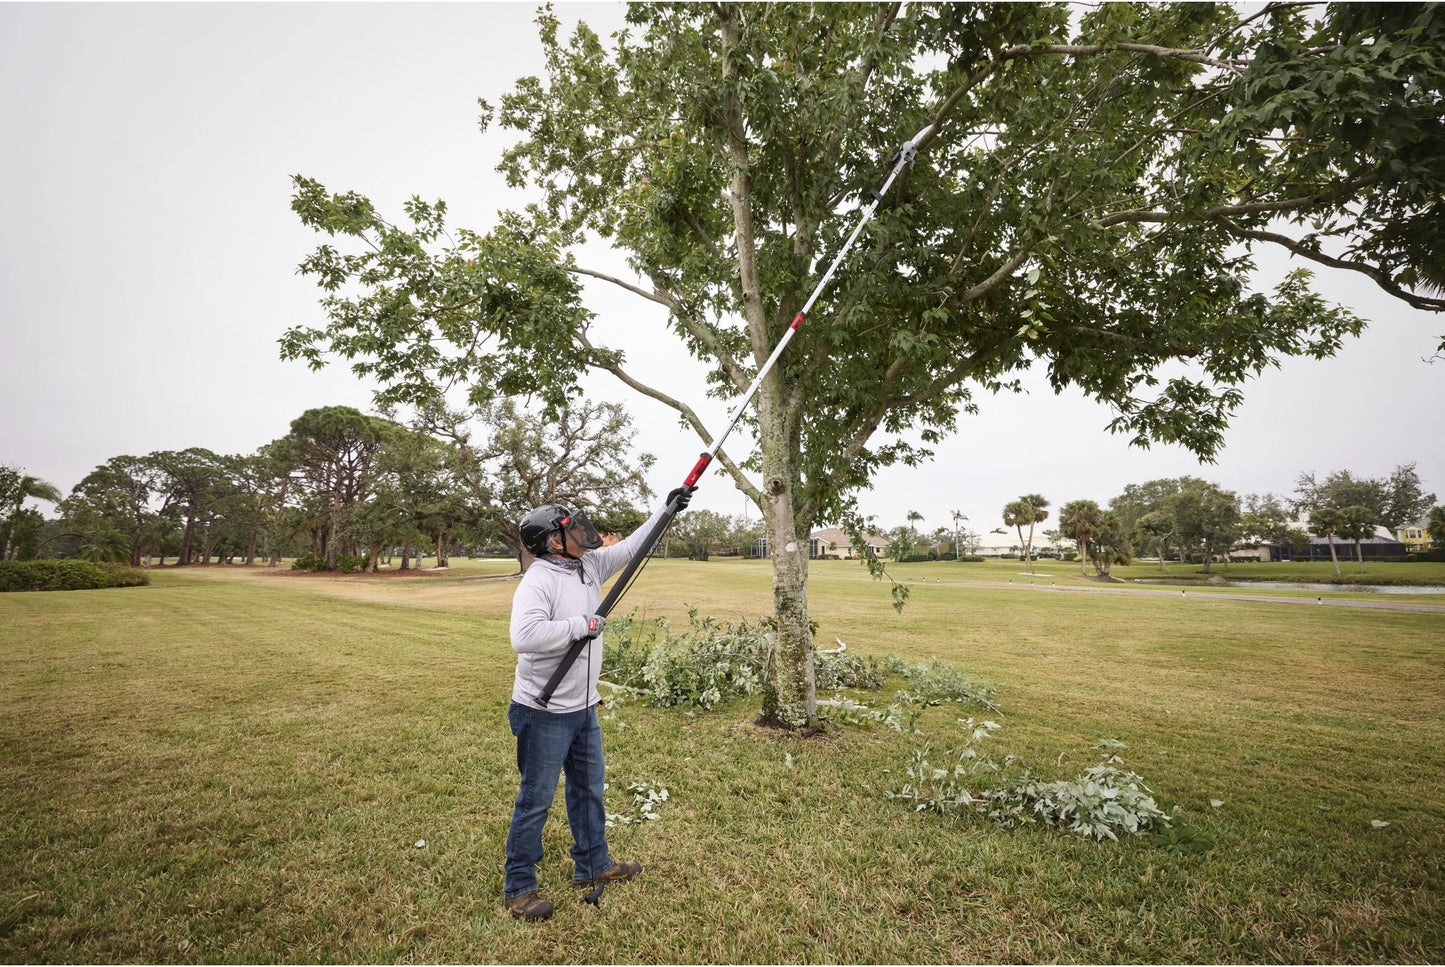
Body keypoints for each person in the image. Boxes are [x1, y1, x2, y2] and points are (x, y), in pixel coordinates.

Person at [502, 488, 693, 921]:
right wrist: (580, 626)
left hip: (584, 706)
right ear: (553, 541)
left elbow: (629, 548)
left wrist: (666, 511)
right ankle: (518, 888)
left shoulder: (588, 565)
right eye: (568, 526)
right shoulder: (539, 580)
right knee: (536, 798)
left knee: (589, 789)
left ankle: (593, 865)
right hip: (543, 709)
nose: (579, 529)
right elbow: (524, 638)